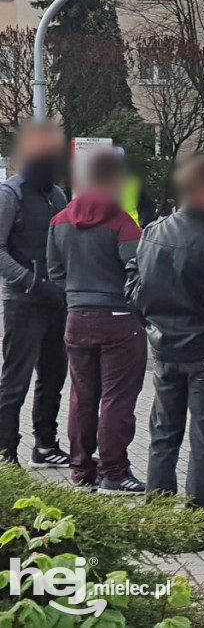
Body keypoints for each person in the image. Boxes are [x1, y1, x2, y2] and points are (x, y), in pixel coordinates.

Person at [127, 157, 204, 548]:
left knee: (164, 435)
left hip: (165, 350)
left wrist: (153, 326)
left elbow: (134, 290)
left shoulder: (151, 232)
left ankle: (157, 519)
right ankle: (197, 524)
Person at [48, 151, 147, 494]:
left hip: (75, 319)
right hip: (119, 321)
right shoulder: (122, 223)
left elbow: (55, 272)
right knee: (117, 399)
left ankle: (81, 471)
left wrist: (78, 294)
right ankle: (114, 472)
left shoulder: (59, 220)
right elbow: (138, 274)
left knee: (82, 396)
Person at [0, 123, 70, 468]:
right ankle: (5, 453)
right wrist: (29, 281)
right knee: (15, 381)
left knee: (54, 377)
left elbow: (65, 244)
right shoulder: (9, 194)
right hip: (22, 302)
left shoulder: (57, 195)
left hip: (57, 302)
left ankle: (45, 446)